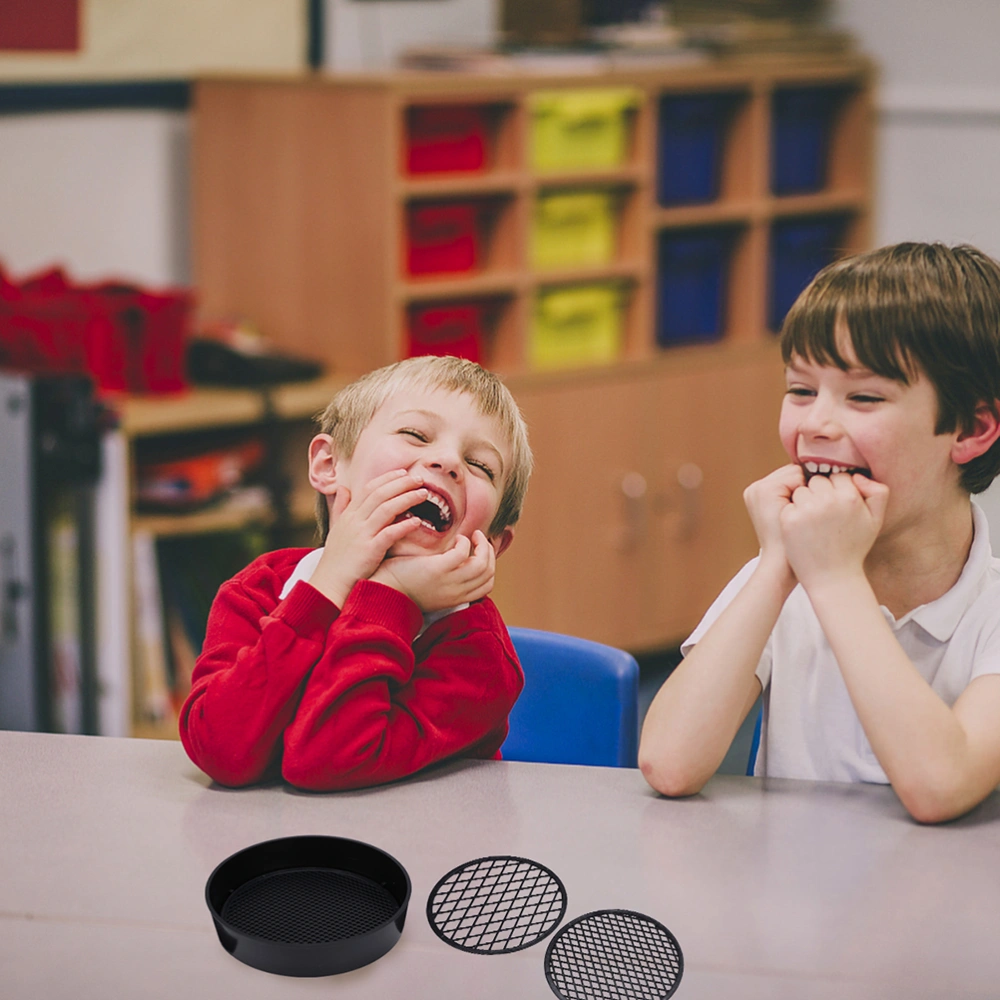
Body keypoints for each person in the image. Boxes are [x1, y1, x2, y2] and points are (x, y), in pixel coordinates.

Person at [638, 242, 1000, 823]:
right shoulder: (786, 573)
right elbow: (669, 762)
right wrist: (777, 565)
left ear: (970, 428)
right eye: (801, 390)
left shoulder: (988, 610)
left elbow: (939, 786)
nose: (815, 425)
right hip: (790, 903)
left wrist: (833, 579)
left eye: (864, 397)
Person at [179, 355, 533, 791]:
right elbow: (222, 751)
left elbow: (328, 761)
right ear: (329, 466)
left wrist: (390, 596)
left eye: (480, 466)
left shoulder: (479, 656)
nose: (447, 461)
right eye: (415, 435)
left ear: (494, 542)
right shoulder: (261, 589)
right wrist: (326, 588)